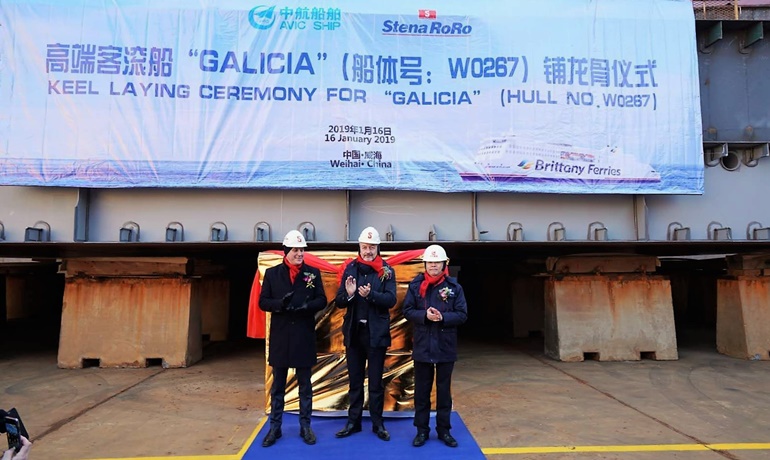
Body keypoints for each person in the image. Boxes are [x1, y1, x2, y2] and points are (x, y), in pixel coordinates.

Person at [259, 230, 328, 447]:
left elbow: (322, 299)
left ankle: (305, 427)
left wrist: (307, 307)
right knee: (278, 386)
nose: (300, 254)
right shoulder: (272, 274)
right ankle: (275, 428)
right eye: (296, 250)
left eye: (302, 250)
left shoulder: (312, 273)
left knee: (305, 386)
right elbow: (263, 302)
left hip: (303, 336)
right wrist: (280, 304)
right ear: (287, 252)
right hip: (281, 338)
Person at [334, 226, 397, 442]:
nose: (368, 251)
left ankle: (378, 423)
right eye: (364, 247)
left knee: (376, 382)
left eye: (371, 247)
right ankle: (354, 422)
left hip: (376, 334)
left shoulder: (387, 270)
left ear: (377, 248)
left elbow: (391, 300)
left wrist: (372, 296)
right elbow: (340, 300)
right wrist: (350, 295)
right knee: (355, 381)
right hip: (354, 334)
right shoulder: (349, 268)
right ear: (359, 247)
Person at [403, 244, 468, 448]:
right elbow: (407, 310)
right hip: (423, 346)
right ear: (425, 264)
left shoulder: (454, 288)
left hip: (445, 347)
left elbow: (462, 314)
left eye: (437, 262)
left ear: (444, 264)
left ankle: (444, 430)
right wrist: (424, 316)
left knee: (443, 392)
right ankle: (422, 431)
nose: (433, 265)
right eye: (430, 262)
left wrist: (442, 317)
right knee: (422, 392)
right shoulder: (416, 286)